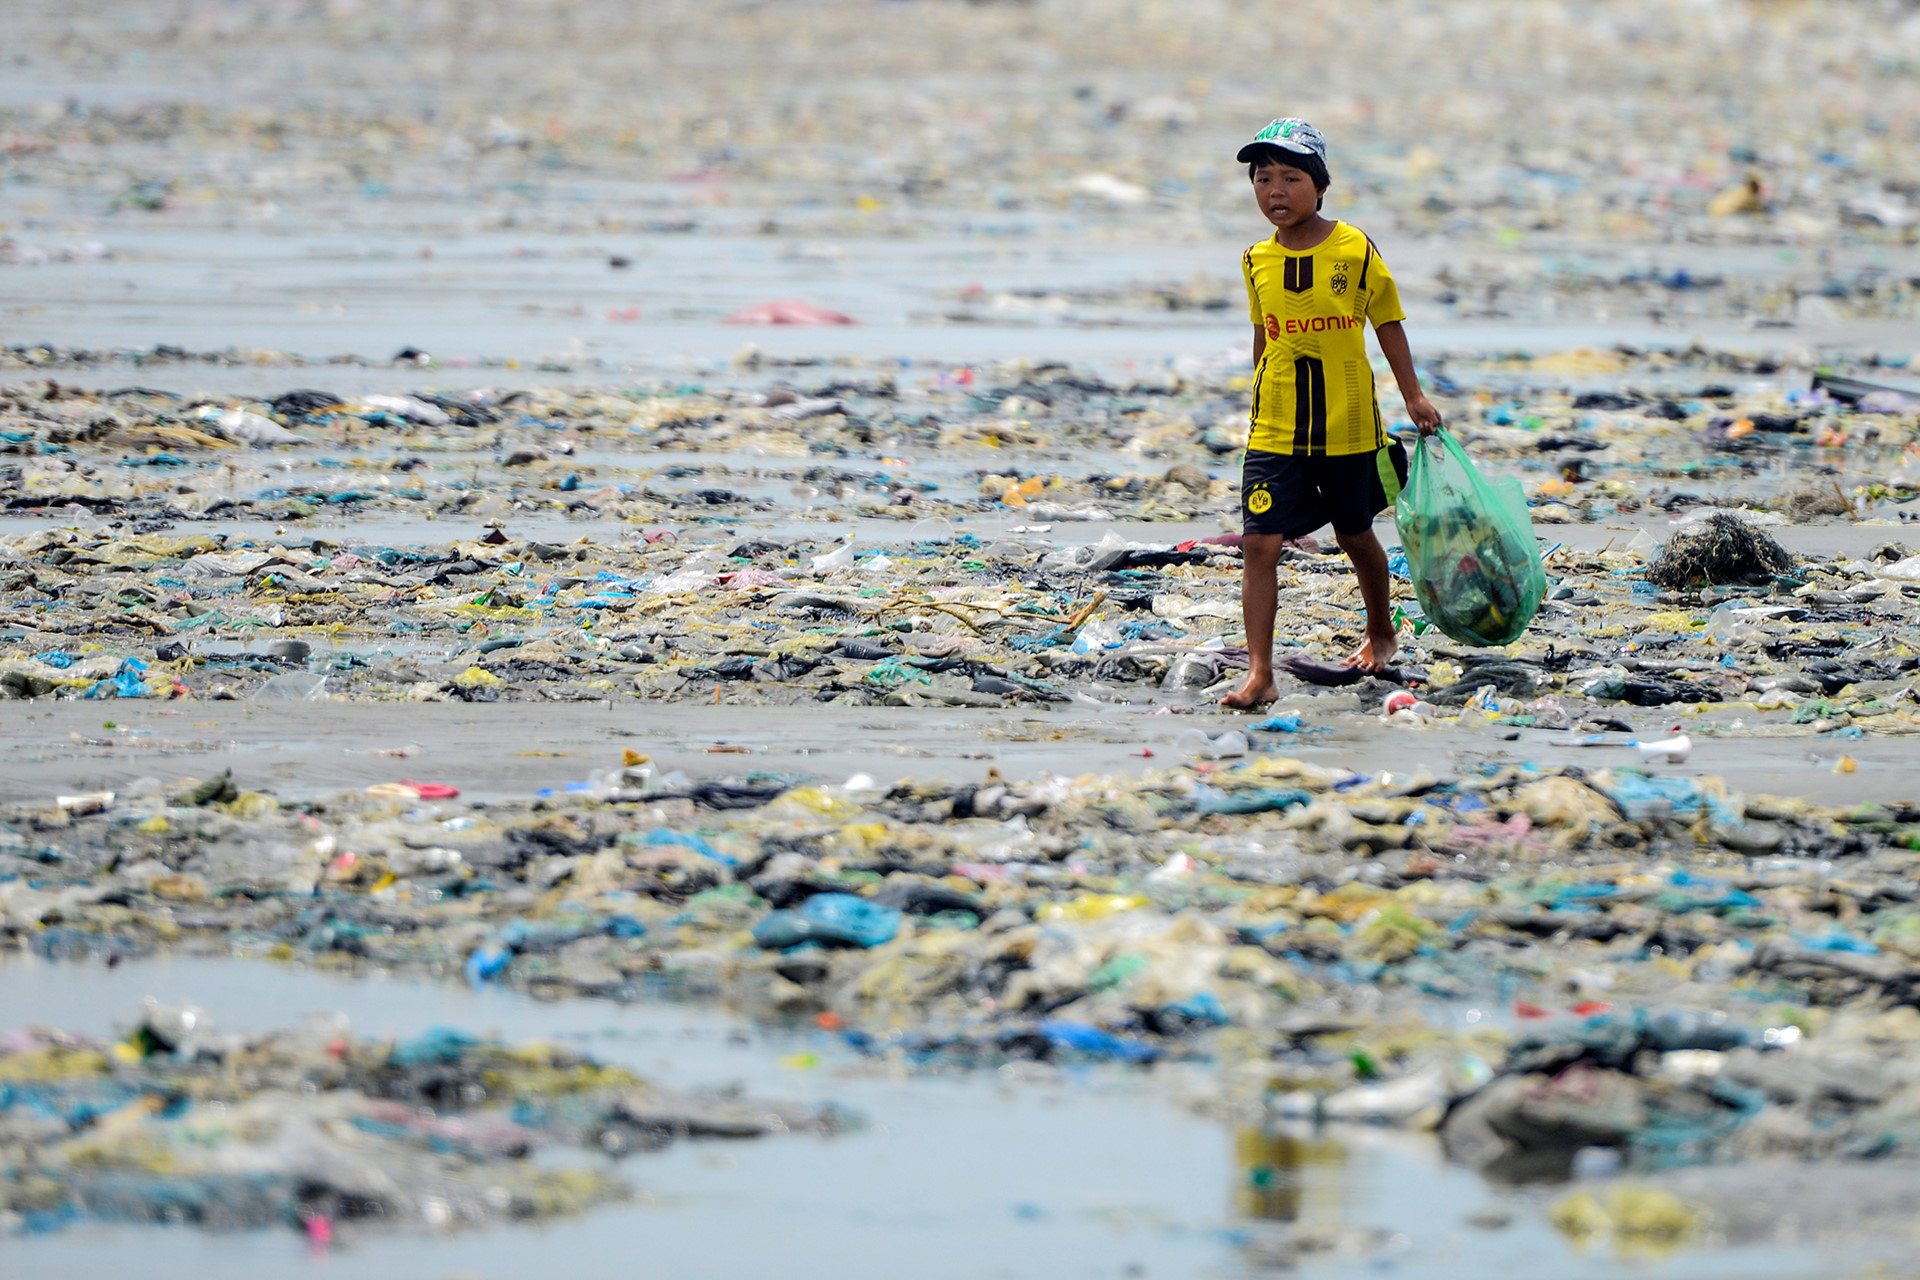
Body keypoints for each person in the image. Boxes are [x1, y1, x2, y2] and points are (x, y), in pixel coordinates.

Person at [1220, 117, 1442, 710]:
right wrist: (1254, 399)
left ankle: (1381, 630)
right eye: (1263, 179)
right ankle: (1260, 673)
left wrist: (1413, 397)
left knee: (1354, 534)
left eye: (1290, 177)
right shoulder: (1254, 261)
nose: (1275, 191)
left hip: (1347, 426)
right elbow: (1264, 338)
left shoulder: (1354, 247)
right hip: (1274, 427)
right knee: (1260, 543)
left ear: (1319, 185)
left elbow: (1386, 322)